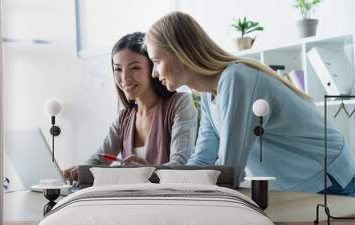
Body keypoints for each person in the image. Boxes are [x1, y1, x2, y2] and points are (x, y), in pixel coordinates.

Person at [144, 11, 355, 195]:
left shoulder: (236, 79)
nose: (153, 73)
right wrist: (158, 179)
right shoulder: (209, 96)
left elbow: (230, 171)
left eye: (156, 61)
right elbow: (201, 161)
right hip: (302, 183)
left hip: (328, 176)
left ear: (181, 53)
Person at [64, 32, 197, 182]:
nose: (125, 78)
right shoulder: (124, 118)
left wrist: (147, 172)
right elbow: (100, 158)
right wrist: (78, 171)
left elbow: (180, 166)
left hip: (168, 200)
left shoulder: (180, 104)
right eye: (118, 69)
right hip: (132, 200)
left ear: (153, 67)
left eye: (134, 68)